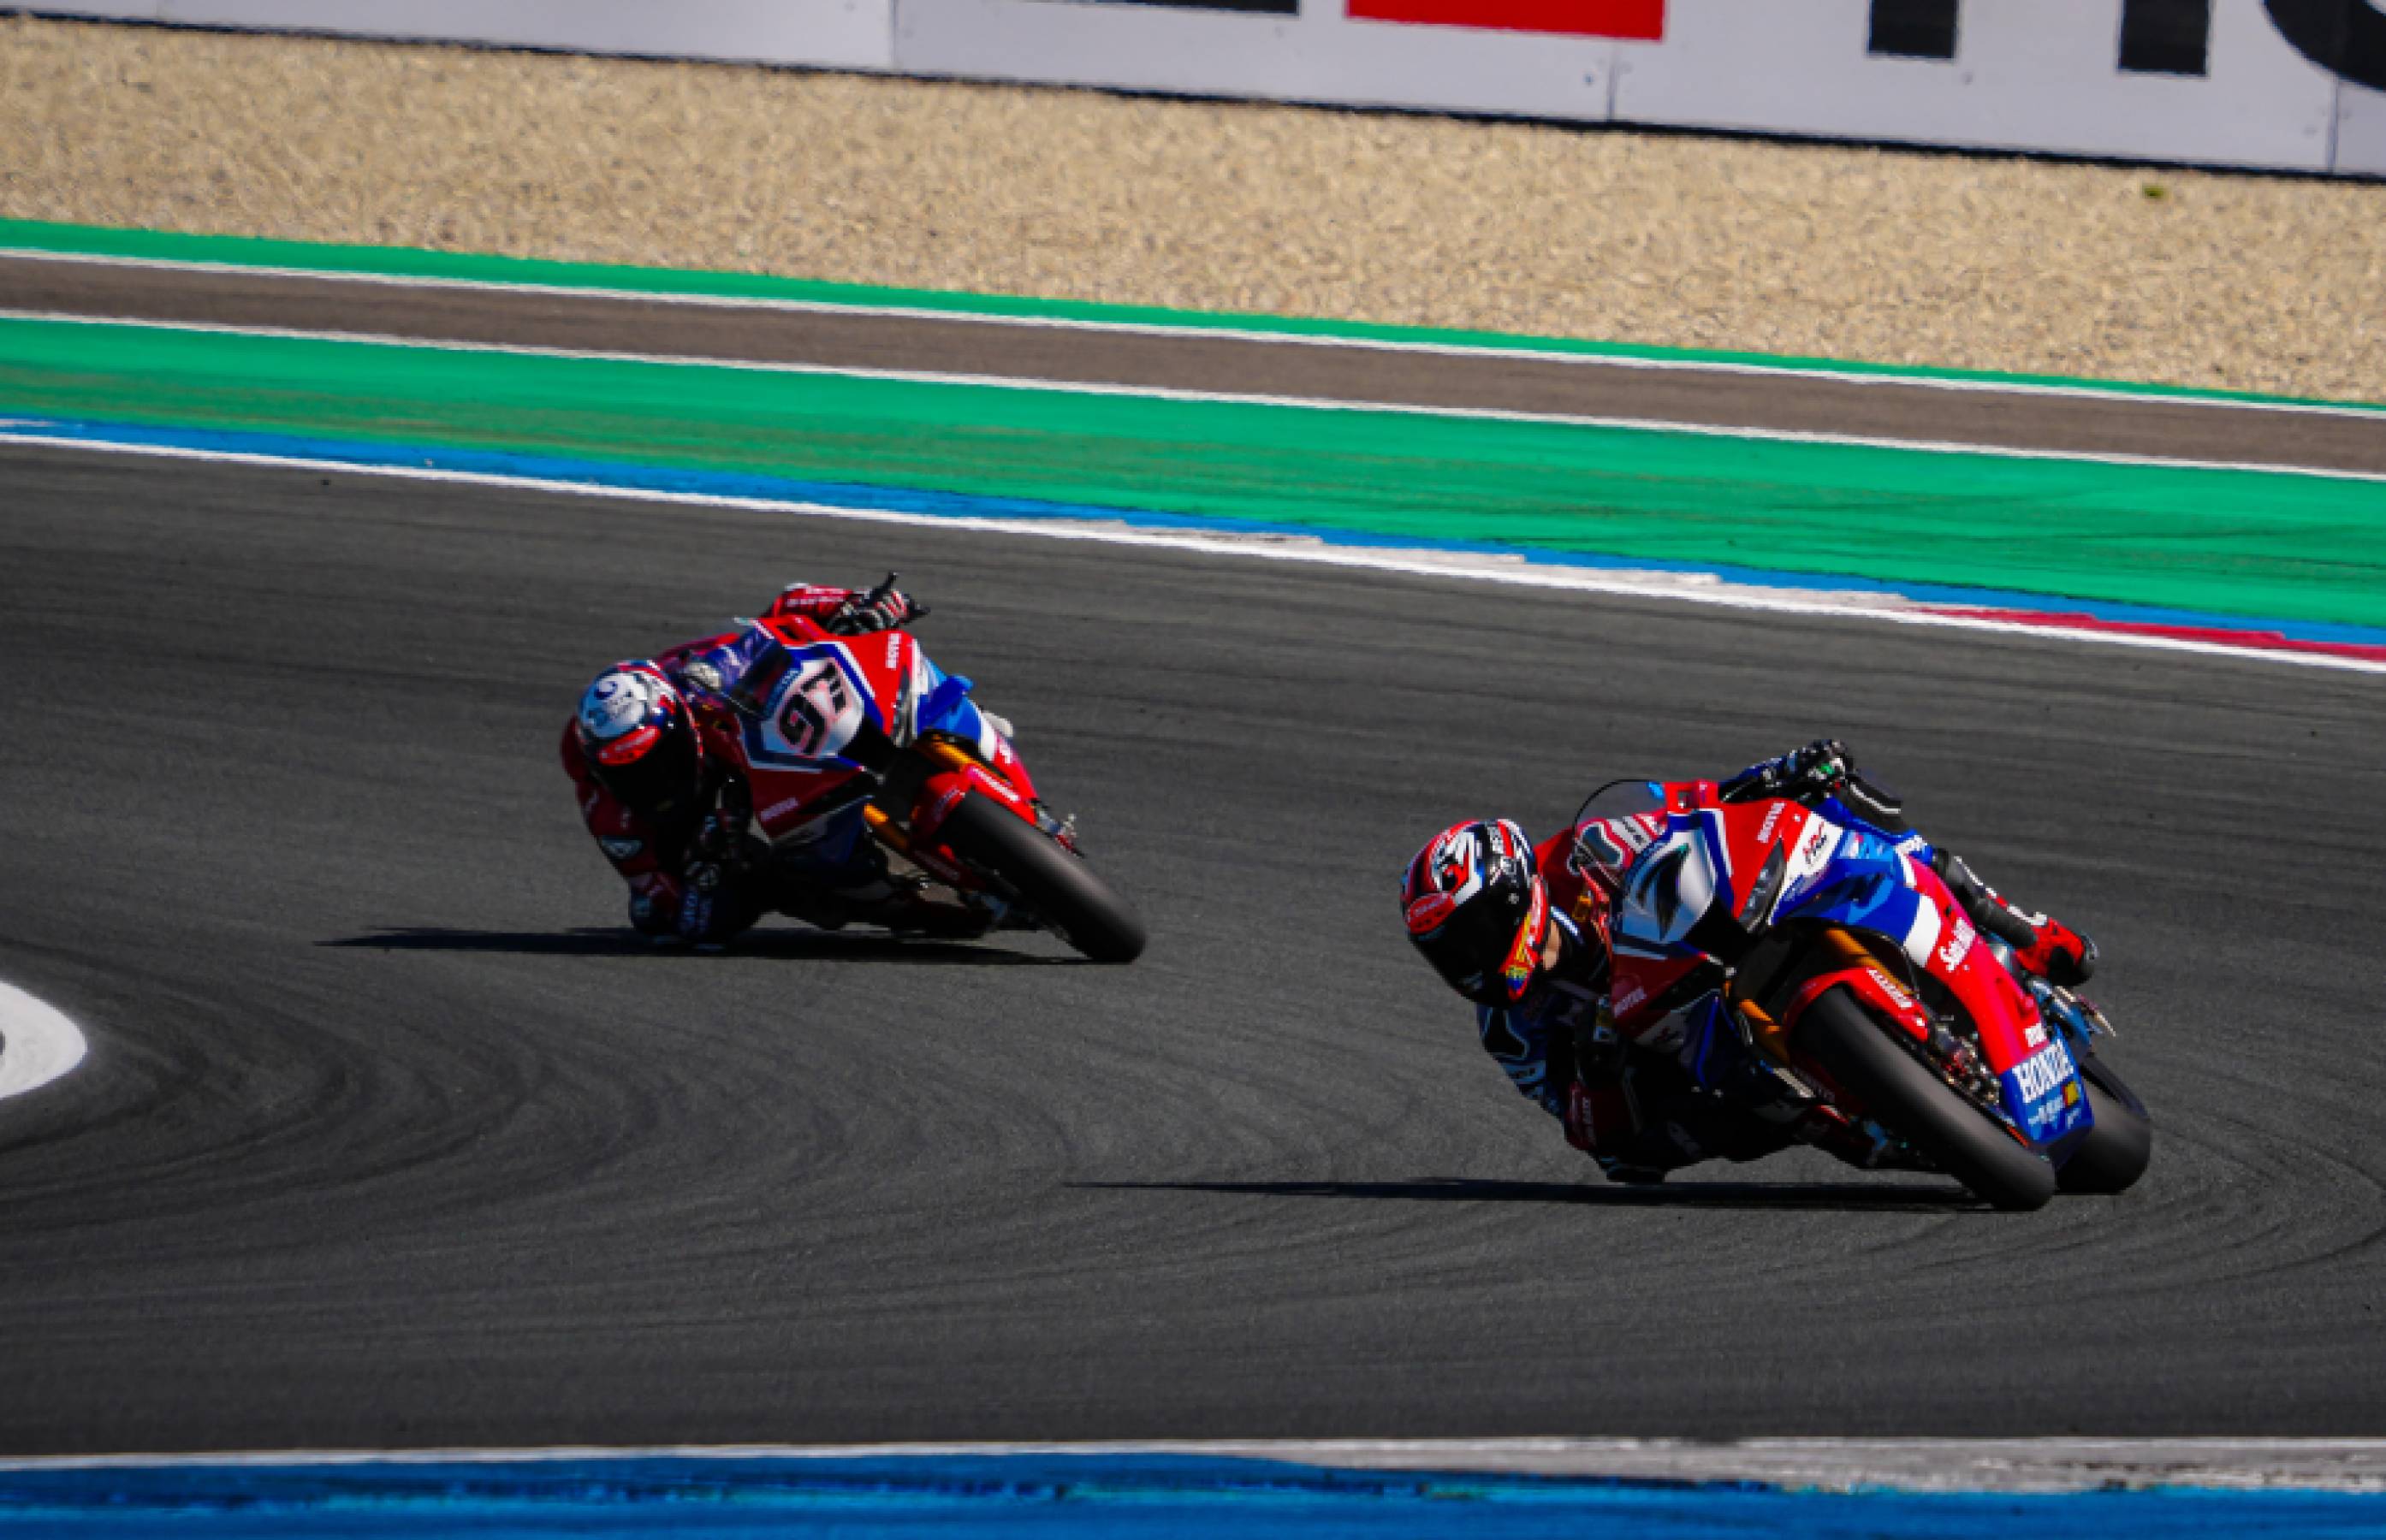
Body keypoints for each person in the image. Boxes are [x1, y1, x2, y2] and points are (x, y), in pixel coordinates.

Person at [1398, 741, 2096, 1185]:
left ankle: (2012, 925)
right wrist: (1596, 1070)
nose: (1470, 959)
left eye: (1477, 931)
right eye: (1448, 952)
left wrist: (1773, 776)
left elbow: (1694, 807)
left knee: (1840, 798)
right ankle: (1861, 1119)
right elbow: (1597, 1145)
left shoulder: (1590, 851)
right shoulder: (1509, 1030)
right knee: (1666, 1141)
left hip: (1715, 939)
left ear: (1520, 892)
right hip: (1685, 1044)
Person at [561, 577, 978, 945]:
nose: (650, 778)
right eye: (629, 774)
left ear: (679, 722)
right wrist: (708, 876)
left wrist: (855, 605)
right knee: (655, 920)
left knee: (875, 680)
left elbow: (783, 612)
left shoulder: (695, 676)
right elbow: (657, 893)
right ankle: (898, 903)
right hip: (718, 833)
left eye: (656, 760)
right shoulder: (611, 814)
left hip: (770, 748)